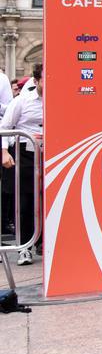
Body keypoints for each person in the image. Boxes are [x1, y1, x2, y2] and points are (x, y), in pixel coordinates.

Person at [1, 63, 43, 266]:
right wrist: (4, 152)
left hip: (52, 156)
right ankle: (24, 248)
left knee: (48, 201)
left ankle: (43, 243)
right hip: (26, 155)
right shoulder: (22, 101)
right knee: (25, 203)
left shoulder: (61, 98)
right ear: (36, 80)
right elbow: (5, 127)